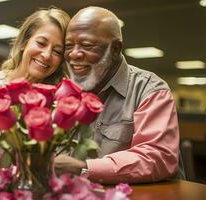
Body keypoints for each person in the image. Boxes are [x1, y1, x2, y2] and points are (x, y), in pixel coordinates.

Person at [54, 6, 182, 183]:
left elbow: (158, 156)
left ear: (115, 49)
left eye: (87, 45)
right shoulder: (66, 91)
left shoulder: (149, 89)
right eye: (69, 46)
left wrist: (84, 168)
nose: (74, 54)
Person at [0, 7, 70, 143]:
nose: (46, 55)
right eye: (41, 43)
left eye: (57, 52)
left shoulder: (58, 102)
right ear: (23, 43)